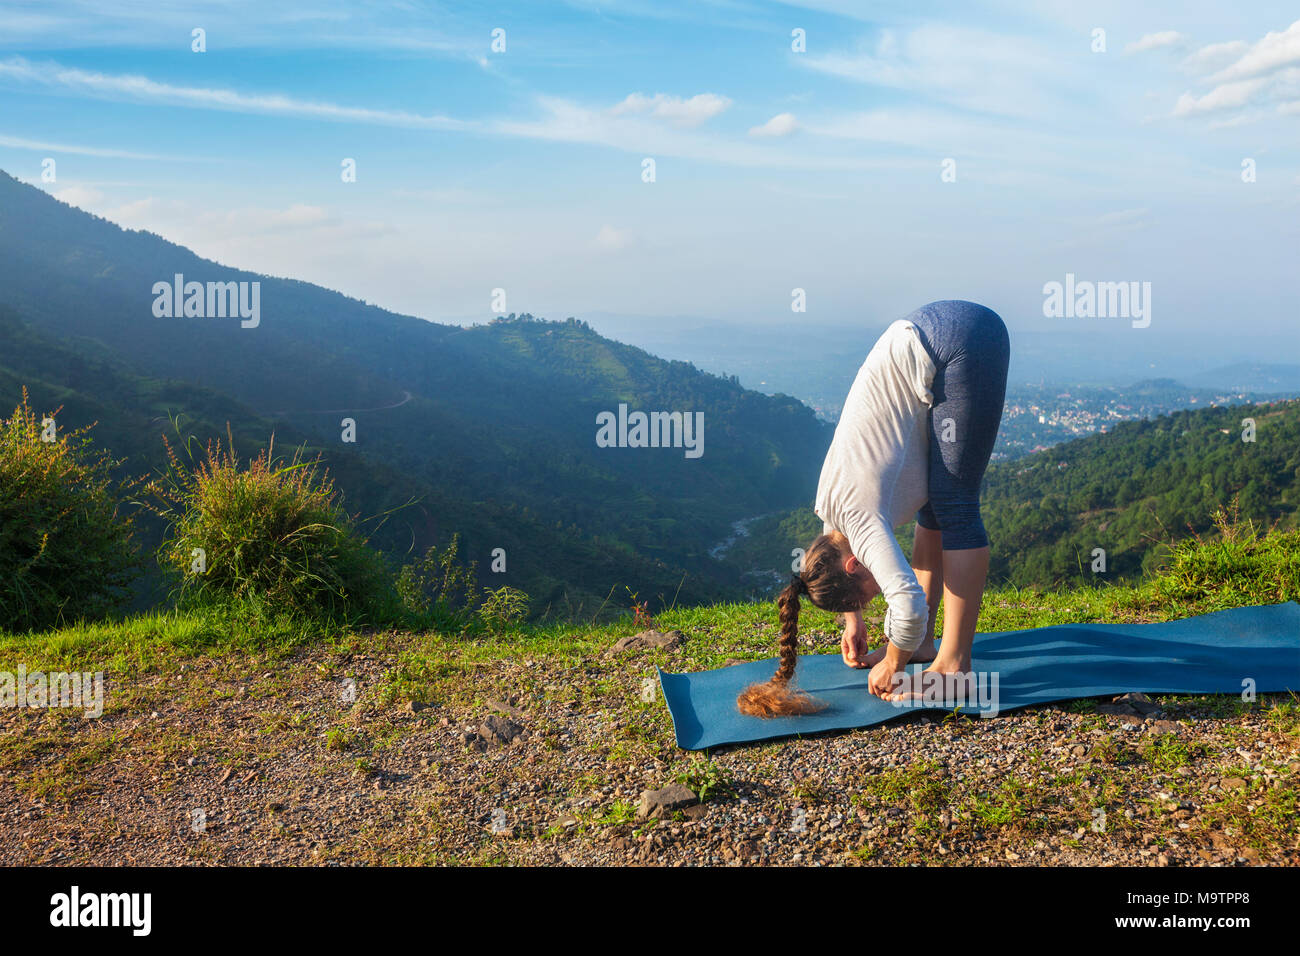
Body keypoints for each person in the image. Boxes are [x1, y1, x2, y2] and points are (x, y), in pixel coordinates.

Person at [738, 300, 1009, 717]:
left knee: (955, 503)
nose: (875, 592)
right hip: (928, 330)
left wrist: (893, 662)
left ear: (853, 565)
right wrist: (855, 621)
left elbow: (908, 604)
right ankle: (923, 645)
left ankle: (955, 667)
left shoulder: (858, 520)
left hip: (960, 341)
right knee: (935, 507)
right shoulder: (830, 513)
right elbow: (848, 568)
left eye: (868, 593)